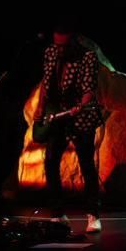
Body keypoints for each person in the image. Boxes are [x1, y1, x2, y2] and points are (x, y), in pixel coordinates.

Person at [36, 24, 108, 232]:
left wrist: (81, 105)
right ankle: (58, 214)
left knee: (86, 164)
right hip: (57, 115)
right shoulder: (50, 52)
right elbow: (46, 81)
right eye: (56, 44)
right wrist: (41, 106)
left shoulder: (87, 56)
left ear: (74, 40)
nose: (60, 50)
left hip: (80, 116)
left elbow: (88, 87)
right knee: (50, 161)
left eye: (64, 45)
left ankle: (93, 215)